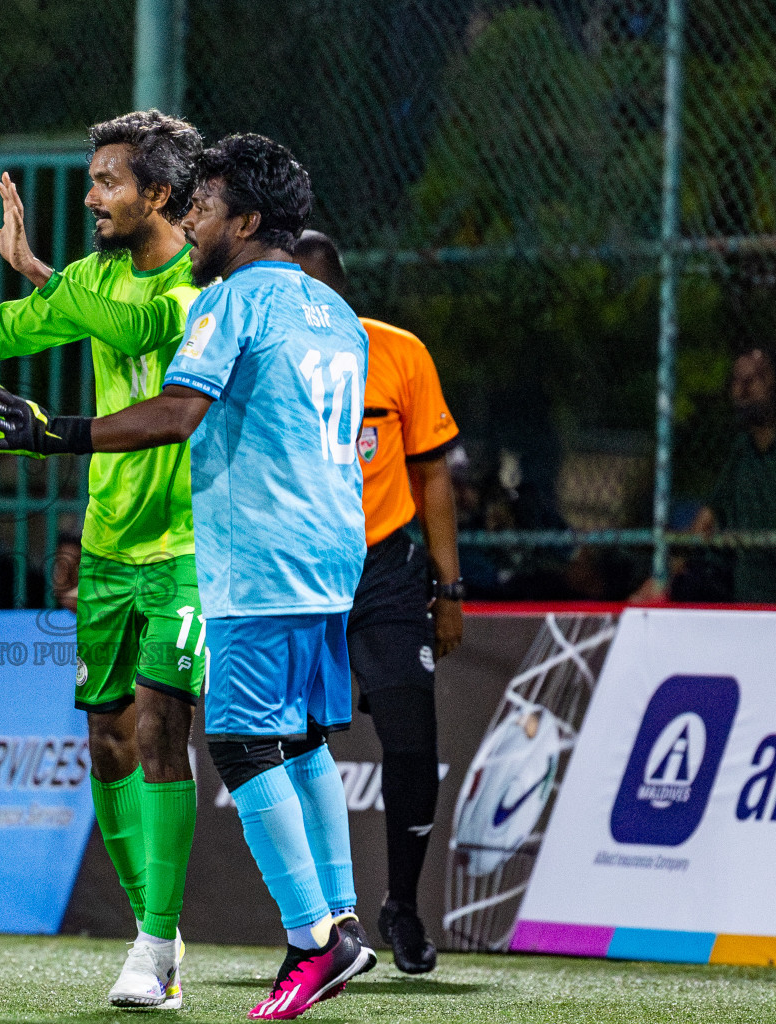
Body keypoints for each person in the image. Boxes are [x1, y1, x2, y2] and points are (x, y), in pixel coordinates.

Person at [0, 134, 374, 1020]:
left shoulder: (230, 302)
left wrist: (53, 433)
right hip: (335, 554)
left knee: (236, 744)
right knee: (303, 741)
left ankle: (315, 940)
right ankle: (343, 913)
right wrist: (43, 270)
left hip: (259, 560)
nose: (193, 217)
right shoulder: (334, 310)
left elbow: (176, 413)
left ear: (248, 221)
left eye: (207, 204)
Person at [0, 110, 205, 1009]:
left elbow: (143, 331)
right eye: (91, 178)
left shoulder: (201, 288)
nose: (91, 194)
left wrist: (49, 282)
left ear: (163, 194)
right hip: (106, 548)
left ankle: (150, 947)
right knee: (105, 739)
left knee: (160, 729)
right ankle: (162, 933)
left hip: (186, 545)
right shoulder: (97, 278)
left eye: (109, 181)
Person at [294, 230, 462, 974]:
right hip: (298, 571)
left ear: (341, 291)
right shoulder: (267, 361)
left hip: (386, 571)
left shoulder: (398, 353)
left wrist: (449, 588)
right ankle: (321, 921)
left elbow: (433, 477)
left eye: (314, 292)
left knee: (413, 741)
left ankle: (401, 904)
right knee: (294, 746)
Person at [677, 347, 776, 603]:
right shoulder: (742, 449)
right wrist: (663, 578)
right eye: (737, 380)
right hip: (745, 599)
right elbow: (704, 521)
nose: (743, 388)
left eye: (757, 378)